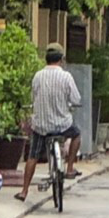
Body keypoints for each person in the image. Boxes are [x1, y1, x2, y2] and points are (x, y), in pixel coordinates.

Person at [14, 43, 82, 202]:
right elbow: (76, 99)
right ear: (62, 59)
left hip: (41, 126)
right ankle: (70, 168)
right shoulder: (66, 77)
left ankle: (24, 191)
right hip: (62, 126)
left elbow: (33, 98)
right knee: (77, 135)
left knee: (33, 156)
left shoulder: (38, 76)